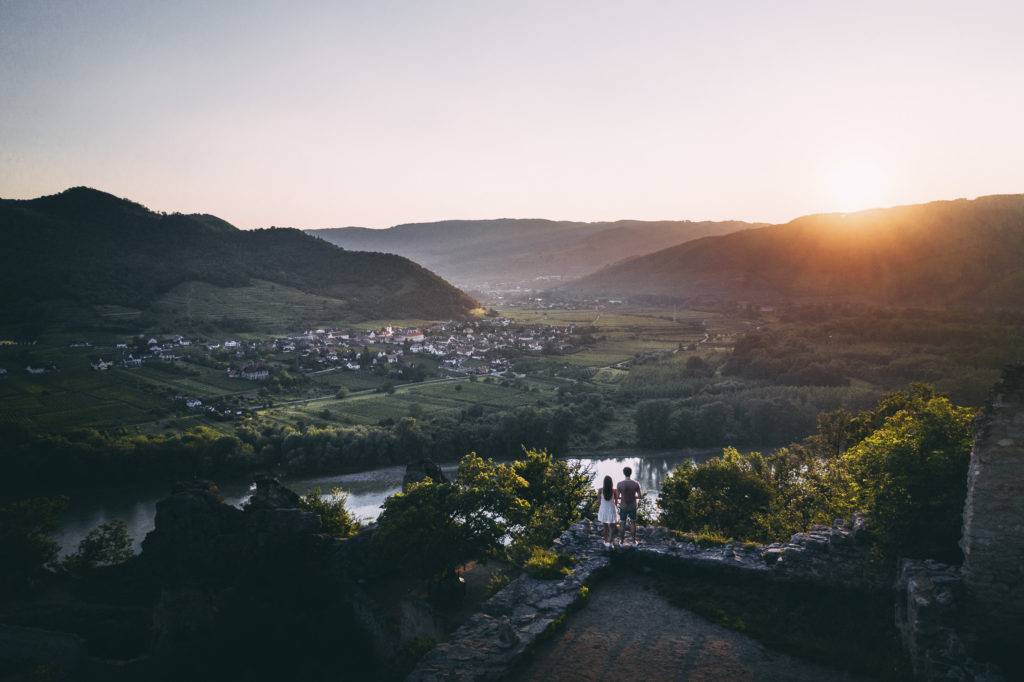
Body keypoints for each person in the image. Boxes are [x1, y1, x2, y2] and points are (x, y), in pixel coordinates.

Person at [615, 466, 643, 545]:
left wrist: (623, 496)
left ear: (624, 473)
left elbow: (617, 497)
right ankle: (633, 542)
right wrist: (633, 496)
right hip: (633, 506)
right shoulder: (636, 483)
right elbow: (640, 496)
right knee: (633, 523)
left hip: (623, 506)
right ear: (631, 473)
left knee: (622, 524)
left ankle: (621, 542)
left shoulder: (619, 484)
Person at [596, 475, 618, 548]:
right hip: (611, 508)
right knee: (612, 527)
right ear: (611, 482)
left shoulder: (600, 490)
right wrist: (615, 508)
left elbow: (599, 501)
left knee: (605, 527)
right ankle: (610, 542)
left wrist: (600, 508)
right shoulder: (614, 490)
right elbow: (616, 502)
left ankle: (605, 541)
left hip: (603, 508)